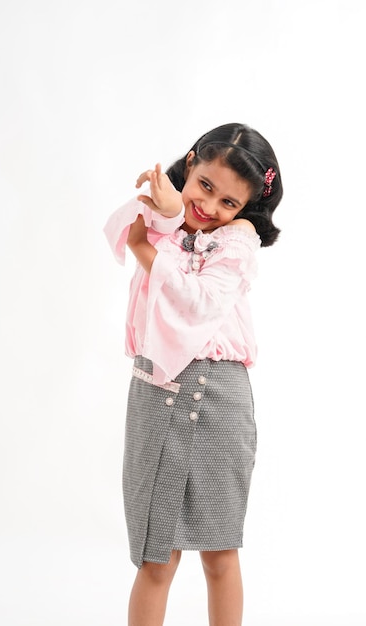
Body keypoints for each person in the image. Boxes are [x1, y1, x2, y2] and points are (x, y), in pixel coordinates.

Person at [103, 122, 283, 626]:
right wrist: (162, 212)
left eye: (229, 203)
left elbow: (197, 299)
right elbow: (123, 225)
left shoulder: (236, 242)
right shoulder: (174, 218)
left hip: (217, 395)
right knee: (155, 554)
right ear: (190, 163)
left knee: (220, 550)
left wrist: (148, 247)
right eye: (205, 185)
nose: (209, 206)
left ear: (244, 211)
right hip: (154, 387)